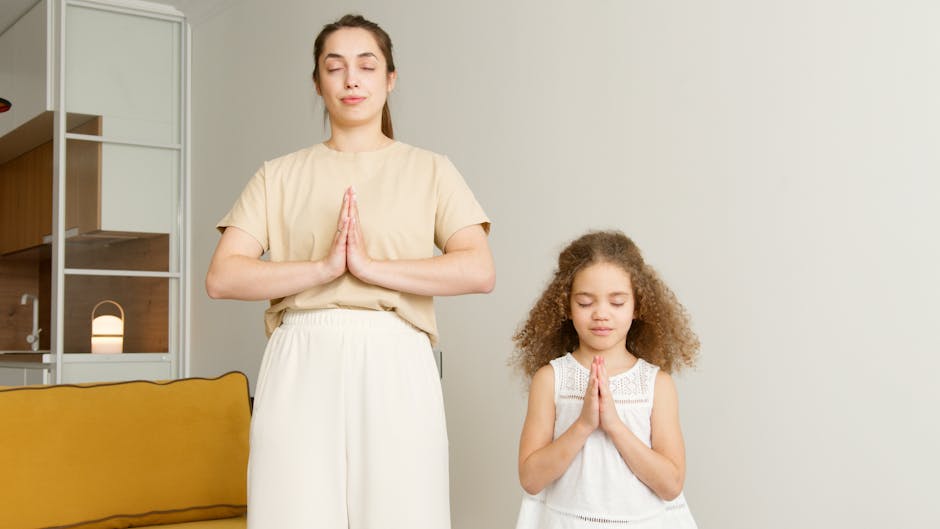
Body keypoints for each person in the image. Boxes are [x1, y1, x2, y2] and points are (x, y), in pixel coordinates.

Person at [205, 14, 494, 529]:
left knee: (405, 512)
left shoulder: (431, 169)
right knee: (291, 512)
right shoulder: (278, 174)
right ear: (318, 83)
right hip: (301, 352)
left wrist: (370, 268)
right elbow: (223, 277)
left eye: (367, 65)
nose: (351, 79)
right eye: (334, 67)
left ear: (390, 78)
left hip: (396, 351)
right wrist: (322, 268)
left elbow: (478, 269)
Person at [512, 230, 698, 529]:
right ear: (566, 306)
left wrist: (614, 425)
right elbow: (531, 479)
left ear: (637, 306)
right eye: (586, 303)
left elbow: (671, 485)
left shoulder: (656, 384)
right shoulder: (550, 380)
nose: (601, 314)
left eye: (617, 302)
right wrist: (584, 425)